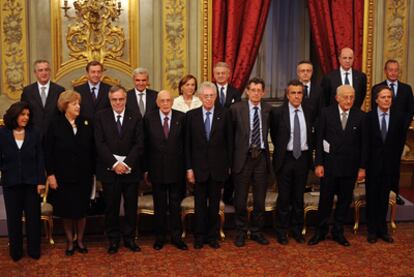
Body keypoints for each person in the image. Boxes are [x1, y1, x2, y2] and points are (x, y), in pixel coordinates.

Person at [308, 85, 367, 247]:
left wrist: (362, 168)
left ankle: (338, 232)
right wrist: (318, 163)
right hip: (329, 166)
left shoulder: (360, 116)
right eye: (345, 97)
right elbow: (318, 141)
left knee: (344, 201)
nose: (349, 100)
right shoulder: (326, 113)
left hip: (350, 168)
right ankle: (320, 231)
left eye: (351, 97)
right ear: (337, 97)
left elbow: (364, 145)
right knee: (325, 201)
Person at [95, 85, 144, 254]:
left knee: (131, 207)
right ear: (110, 100)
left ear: (126, 99)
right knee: (111, 208)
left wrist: (127, 163)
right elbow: (99, 143)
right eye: (114, 99)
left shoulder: (135, 116)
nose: (118, 102)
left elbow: (139, 144)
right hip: (110, 171)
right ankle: (113, 240)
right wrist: (115, 164)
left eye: (121, 99)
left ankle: (129, 239)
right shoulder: (101, 116)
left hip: (131, 171)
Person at [44, 91, 94, 256]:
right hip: (63, 176)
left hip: (83, 176)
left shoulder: (86, 123)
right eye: (74, 104)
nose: (78, 106)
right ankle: (70, 242)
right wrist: (50, 175)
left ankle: (80, 240)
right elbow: (48, 152)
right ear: (65, 106)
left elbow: (92, 149)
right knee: (67, 211)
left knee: (81, 211)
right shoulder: (54, 124)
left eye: (78, 103)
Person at [185, 81, 233, 249]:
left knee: (214, 205)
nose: (209, 99)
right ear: (200, 97)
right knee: (199, 205)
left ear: (216, 97)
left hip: (218, 169)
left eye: (212, 96)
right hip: (198, 170)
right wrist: (189, 168)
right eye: (206, 96)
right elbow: (187, 146)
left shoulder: (225, 114)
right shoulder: (191, 116)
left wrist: (228, 166)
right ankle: (199, 236)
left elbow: (229, 143)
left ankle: (213, 236)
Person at [270, 80, 315, 245]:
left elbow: (312, 136)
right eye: (293, 93)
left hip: (302, 158)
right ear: (287, 95)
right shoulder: (277, 113)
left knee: (298, 198)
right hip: (285, 159)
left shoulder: (309, 111)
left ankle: (296, 230)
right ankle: (282, 232)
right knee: (284, 198)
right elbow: (276, 136)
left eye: (299, 93)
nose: (297, 96)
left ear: (303, 95)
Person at [0, 102, 45, 261]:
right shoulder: (2, 133)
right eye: (22, 114)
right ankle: (16, 252)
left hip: (32, 183)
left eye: (27, 115)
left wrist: (41, 181)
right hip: (10, 183)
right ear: (15, 115)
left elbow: (40, 158)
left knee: (33, 218)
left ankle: (34, 250)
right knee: (13, 219)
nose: (26, 117)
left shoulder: (35, 132)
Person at [143, 90, 188, 251]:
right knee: (160, 205)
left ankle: (176, 237)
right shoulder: (149, 118)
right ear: (157, 102)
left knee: (176, 205)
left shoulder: (181, 117)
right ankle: (160, 237)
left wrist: (187, 168)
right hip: (156, 169)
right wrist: (146, 169)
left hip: (176, 169)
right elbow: (145, 145)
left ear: (172, 102)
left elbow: (186, 145)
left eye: (168, 100)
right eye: (162, 101)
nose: (165, 104)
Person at [231, 77, 272, 247]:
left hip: (261, 158)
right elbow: (230, 137)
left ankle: (256, 231)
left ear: (263, 93)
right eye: (252, 90)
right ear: (247, 91)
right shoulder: (236, 109)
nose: (255, 93)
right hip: (243, 158)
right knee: (240, 200)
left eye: (259, 90)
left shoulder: (269, 110)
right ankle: (240, 231)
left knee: (259, 200)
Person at [366, 86, 406, 244]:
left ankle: (383, 229)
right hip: (372, 165)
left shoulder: (398, 117)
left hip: (389, 165)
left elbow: (399, 143)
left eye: (389, 97)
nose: (386, 100)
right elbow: (365, 144)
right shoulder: (368, 118)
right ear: (376, 100)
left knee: (384, 197)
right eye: (383, 97)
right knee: (372, 197)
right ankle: (372, 230)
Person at [371, 59, 414, 205]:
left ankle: (394, 195)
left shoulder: (406, 89)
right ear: (385, 71)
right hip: (381, 136)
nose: (393, 72)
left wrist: (401, 128)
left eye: (396, 70)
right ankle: (379, 194)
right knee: (379, 166)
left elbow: (410, 111)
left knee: (394, 166)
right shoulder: (377, 88)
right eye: (391, 69)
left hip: (398, 135)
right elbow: (373, 111)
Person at [213, 62, 241, 205]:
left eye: (223, 73)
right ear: (214, 74)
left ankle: (228, 197)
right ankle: (214, 197)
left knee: (230, 167)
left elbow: (239, 114)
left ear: (228, 75)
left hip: (231, 136)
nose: (220, 76)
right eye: (218, 73)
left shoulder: (235, 92)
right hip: (214, 136)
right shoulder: (210, 91)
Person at [20, 59, 65, 136]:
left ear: (50, 71)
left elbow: (63, 114)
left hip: (54, 135)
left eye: (46, 70)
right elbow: (23, 112)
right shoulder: (27, 91)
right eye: (40, 70)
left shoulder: (59, 90)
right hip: (33, 134)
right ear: (35, 73)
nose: (44, 73)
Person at [296, 60, 323, 126]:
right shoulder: (291, 89)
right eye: (303, 71)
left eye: (308, 71)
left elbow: (321, 112)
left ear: (312, 72)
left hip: (314, 128)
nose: (305, 73)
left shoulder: (319, 90)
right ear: (298, 73)